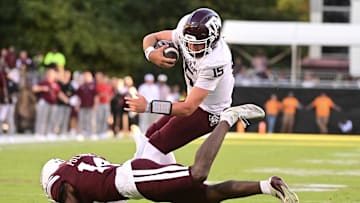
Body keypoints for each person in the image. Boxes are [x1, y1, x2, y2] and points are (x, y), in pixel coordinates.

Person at [40, 104, 299, 203]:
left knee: (198, 174)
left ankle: (227, 119)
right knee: (206, 196)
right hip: (132, 177)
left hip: (132, 180)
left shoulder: (58, 182)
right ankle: (267, 186)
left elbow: (73, 194)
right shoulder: (79, 162)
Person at [125, 8, 234, 164]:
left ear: (213, 40)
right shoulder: (185, 30)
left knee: (155, 147)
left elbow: (188, 108)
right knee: (148, 137)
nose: (191, 48)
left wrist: (148, 106)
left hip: (209, 112)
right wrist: (150, 53)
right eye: (189, 43)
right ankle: (135, 175)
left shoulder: (216, 61)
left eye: (197, 45)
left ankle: (174, 183)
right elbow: (152, 37)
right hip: (193, 102)